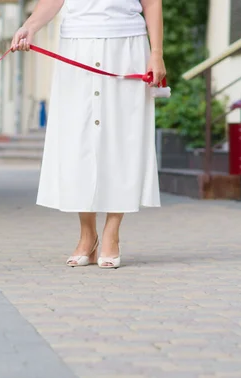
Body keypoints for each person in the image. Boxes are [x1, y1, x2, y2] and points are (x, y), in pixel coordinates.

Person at [11, 0, 165, 268]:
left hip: (126, 45)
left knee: (122, 139)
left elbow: (152, 2)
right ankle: (87, 234)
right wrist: (29, 26)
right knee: (78, 139)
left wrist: (157, 53)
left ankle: (111, 233)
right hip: (76, 46)